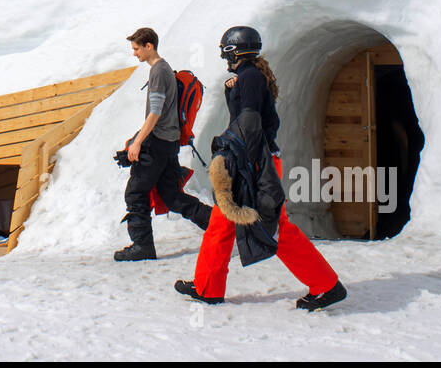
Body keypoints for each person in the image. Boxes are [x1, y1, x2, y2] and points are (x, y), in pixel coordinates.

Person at [176, 26, 348, 309]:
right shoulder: (248, 77)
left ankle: (327, 286)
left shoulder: (251, 77)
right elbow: (247, 116)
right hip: (250, 159)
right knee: (221, 223)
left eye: (226, 51)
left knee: (275, 228)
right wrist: (233, 91)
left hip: (256, 162)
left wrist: (236, 153)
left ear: (235, 51)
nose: (224, 57)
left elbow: (251, 122)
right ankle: (208, 287)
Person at [114, 27, 213, 261]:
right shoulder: (165, 69)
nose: (135, 54)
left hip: (157, 142)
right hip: (168, 143)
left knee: (136, 193)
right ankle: (220, 225)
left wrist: (137, 143)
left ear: (149, 46)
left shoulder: (158, 71)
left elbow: (155, 112)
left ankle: (142, 247)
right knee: (172, 196)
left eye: (137, 49)